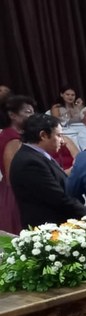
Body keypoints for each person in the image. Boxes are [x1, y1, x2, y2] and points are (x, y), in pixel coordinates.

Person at [0, 96, 33, 233]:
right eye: (27, 112)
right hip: (17, 193)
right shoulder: (12, 139)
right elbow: (12, 175)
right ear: (12, 115)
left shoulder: (19, 136)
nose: (32, 116)